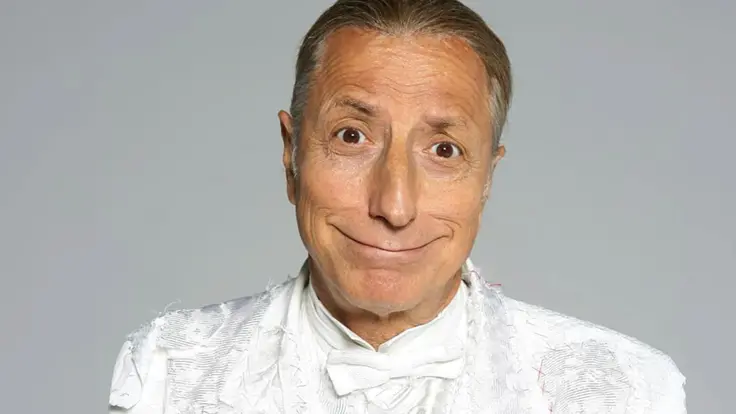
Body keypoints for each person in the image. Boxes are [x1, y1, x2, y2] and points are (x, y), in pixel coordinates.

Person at [108, 0, 686, 412]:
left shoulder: (627, 390)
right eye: (352, 137)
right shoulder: (165, 371)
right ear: (291, 155)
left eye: (443, 150)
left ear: (487, 177)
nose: (395, 205)